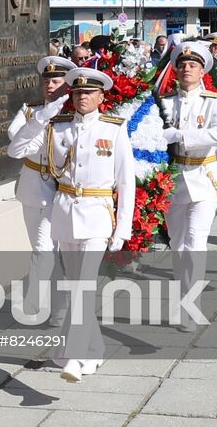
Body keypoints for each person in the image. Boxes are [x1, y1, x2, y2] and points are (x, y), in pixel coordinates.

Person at [9, 67, 133, 383]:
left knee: (84, 285)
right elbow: (16, 150)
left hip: (98, 215)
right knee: (77, 284)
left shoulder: (114, 129)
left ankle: (76, 358)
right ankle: (95, 348)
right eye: (77, 93)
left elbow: (126, 183)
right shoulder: (57, 127)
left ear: (102, 97)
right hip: (64, 215)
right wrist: (40, 118)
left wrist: (123, 229)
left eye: (89, 93)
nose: (82, 98)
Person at [158, 41, 217, 331]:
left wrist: (180, 135)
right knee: (177, 244)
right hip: (174, 180)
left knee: (196, 244)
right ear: (175, 69)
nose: (187, 69)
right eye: (183, 65)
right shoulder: (164, 102)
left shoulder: (214, 100)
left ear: (202, 71)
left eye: (193, 65)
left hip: (203, 177)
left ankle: (192, 305)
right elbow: (154, 135)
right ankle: (181, 299)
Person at [6, 56, 75, 319]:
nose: (49, 86)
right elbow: (18, 139)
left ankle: (33, 299)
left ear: (67, 85)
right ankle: (58, 307)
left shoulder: (74, 115)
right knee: (44, 248)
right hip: (34, 187)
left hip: (63, 190)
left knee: (46, 247)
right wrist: (40, 119)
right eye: (46, 81)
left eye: (56, 81)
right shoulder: (29, 110)